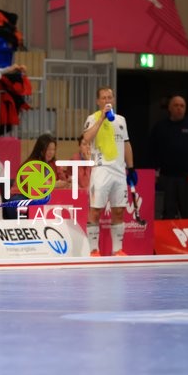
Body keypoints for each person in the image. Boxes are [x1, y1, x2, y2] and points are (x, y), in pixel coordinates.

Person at [82, 86, 134, 257]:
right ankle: (93, 250)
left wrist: (131, 167)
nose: (107, 100)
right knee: (95, 210)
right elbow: (87, 139)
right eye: (103, 98)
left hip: (119, 172)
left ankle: (117, 249)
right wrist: (102, 119)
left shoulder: (121, 120)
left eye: (109, 97)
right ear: (98, 101)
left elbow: (126, 144)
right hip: (101, 171)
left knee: (119, 211)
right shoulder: (93, 118)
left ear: (113, 100)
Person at [149, 94, 188, 219]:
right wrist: (154, 170)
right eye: (176, 105)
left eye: (182, 106)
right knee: (168, 210)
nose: (179, 108)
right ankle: (167, 237)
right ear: (169, 108)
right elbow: (152, 149)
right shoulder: (160, 127)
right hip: (167, 175)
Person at [4, 133, 69, 220]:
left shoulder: (53, 164)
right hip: (21, 197)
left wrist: (66, 180)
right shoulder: (30, 165)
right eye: (48, 149)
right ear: (41, 150)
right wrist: (55, 184)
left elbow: (64, 182)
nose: (51, 152)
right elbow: (36, 186)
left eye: (53, 149)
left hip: (42, 198)